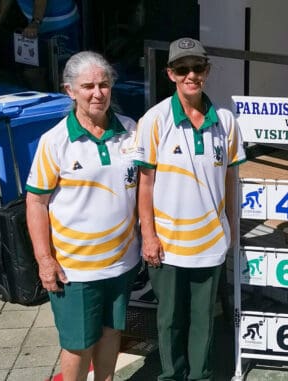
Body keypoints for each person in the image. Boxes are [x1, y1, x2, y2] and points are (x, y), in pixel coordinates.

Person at [25, 51, 141, 381]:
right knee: (78, 344)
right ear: (70, 90)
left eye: (104, 84)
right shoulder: (55, 141)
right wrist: (44, 259)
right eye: (88, 85)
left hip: (122, 262)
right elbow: (36, 203)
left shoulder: (131, 131)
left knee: (110, 334)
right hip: (74, 268)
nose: (97, 93)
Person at [136, 37, 246, 380]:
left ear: (207, 71)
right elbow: (145, 184)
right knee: (169, 320)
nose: (191, 75)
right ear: (170, 74)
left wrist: (231, 226)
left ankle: (201, 375)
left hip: (210, 242)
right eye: (182, 69)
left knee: (204, 320)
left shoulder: (226, 121)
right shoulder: (154, 120)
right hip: (167, 244)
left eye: (197, 67)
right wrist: (148, 235)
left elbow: (230, 179)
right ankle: (172, 375)